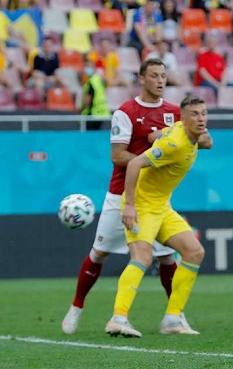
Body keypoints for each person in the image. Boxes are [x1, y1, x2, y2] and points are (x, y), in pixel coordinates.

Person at [61, 59, 203, 335]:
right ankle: (77, 306)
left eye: (163, 76)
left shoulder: (175, 113)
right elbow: (117, 156)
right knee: (100, 252)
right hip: (121, 195)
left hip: (156, 198)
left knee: (166, 258)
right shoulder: (126, 112)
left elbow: (198, 138)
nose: (160, 81)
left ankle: (175, 317)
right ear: (141, 79)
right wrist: (153, 158)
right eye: (154, 76)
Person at [107, 94, 212, 337]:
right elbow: (133, 165)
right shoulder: (174, 144)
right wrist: (130, 205)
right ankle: (117, 318)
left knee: (194, 252)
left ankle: (172, 319)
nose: (201, 118)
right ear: (183, 119)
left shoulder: (183, 132)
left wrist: (160, 135)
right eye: (195, 115)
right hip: (142, 205)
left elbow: (157, 136)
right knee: (142, 258)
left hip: (161, 206)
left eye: (204, 113)